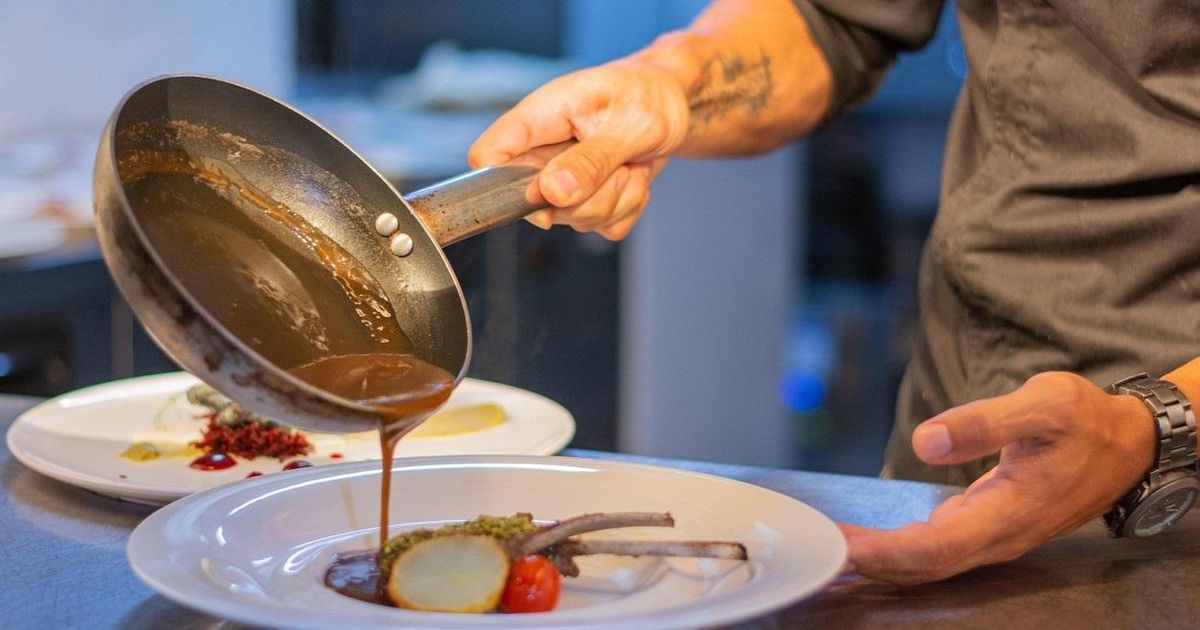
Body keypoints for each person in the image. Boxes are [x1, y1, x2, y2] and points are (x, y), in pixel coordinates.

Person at [468, 0, 1200, 585]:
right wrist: (669, 83)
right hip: (955, 419)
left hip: (1170, 493)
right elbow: (833, 20)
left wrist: (1157, 427)